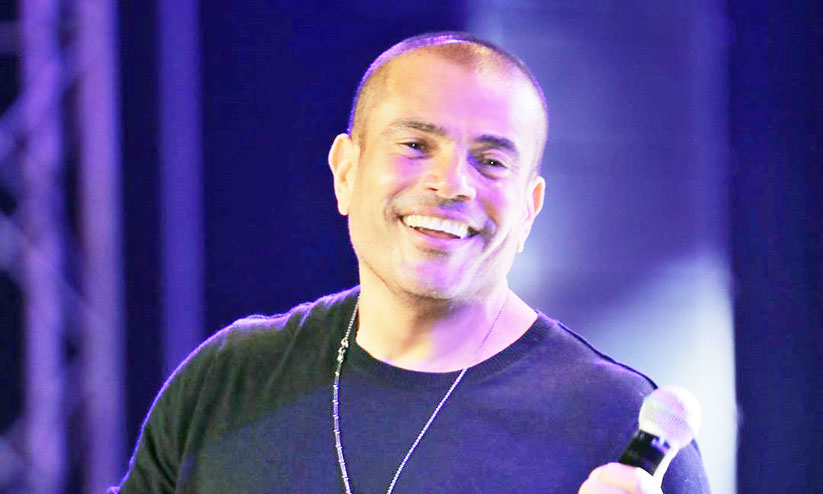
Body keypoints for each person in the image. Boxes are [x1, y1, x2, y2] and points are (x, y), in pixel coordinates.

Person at [110, 32, 710, 493]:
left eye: (490, 162)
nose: (452, 184)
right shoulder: (228, 380)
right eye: (416, 146)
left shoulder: (618, 428)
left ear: (529, 208)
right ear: (346, 172)